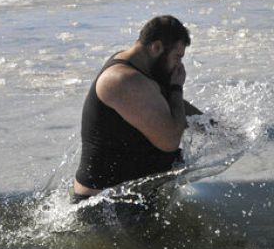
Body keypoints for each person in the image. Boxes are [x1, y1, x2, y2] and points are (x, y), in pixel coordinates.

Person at [72, 15, 202, 202]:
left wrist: (217, 128)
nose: (179, 65)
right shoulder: (122, 80)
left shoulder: (140, 69)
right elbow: (170, 140)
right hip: (104, 209)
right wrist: (176, 87)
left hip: (127, 200)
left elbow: (164, 103)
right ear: (156, 47)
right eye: (177, 57)